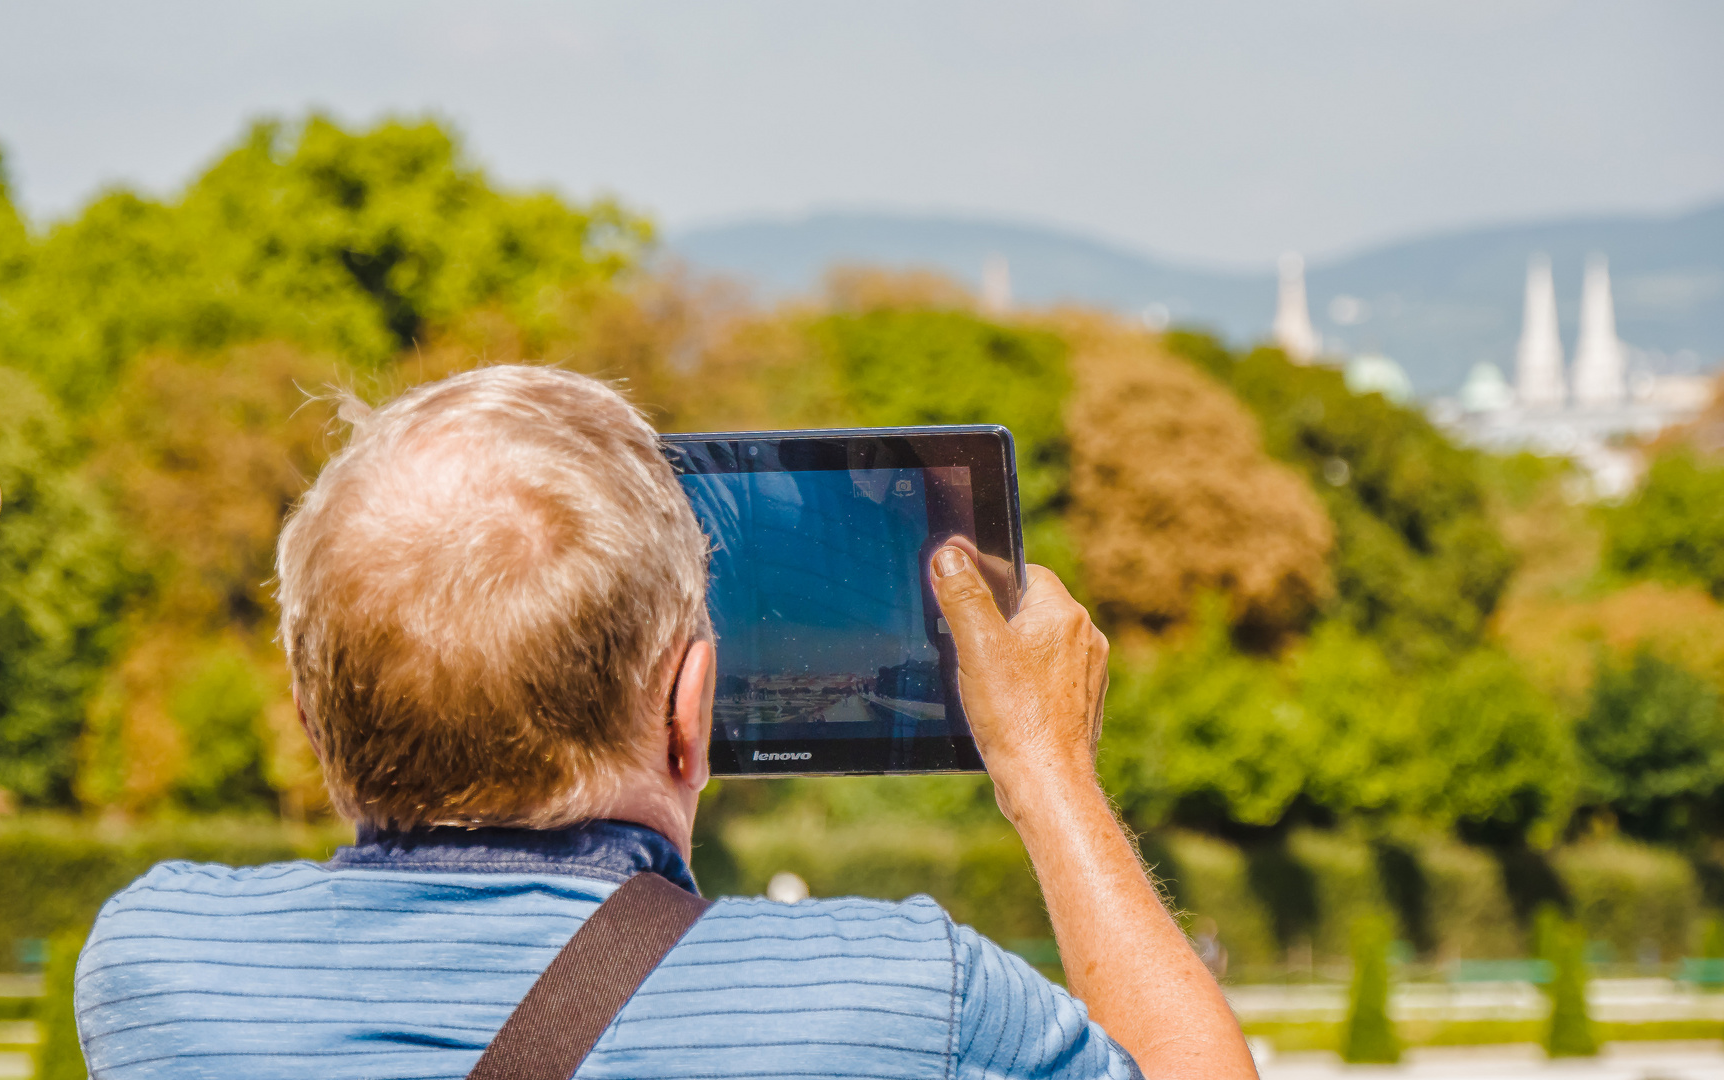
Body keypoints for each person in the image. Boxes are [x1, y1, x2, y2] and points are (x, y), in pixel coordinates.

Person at [73, 365, 1256, 1080]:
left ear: (310, 712)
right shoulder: (904, 998)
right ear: (689, 710)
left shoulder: (159, 967)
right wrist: (1049, 774)